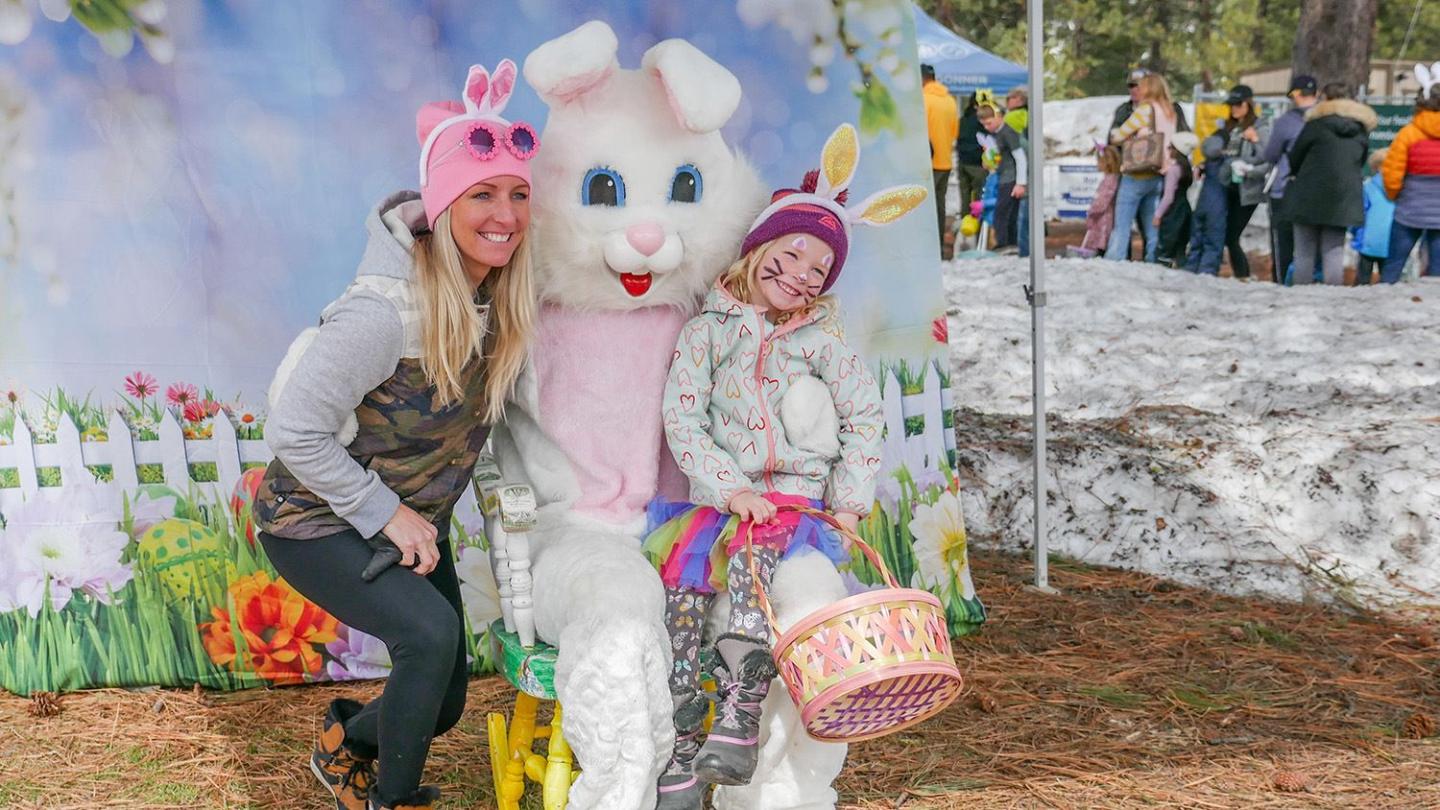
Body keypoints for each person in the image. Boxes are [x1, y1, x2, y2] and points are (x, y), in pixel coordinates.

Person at [252, 62, 537, 810]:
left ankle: (346, 737)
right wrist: (386, 513)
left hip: (406, 524)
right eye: (482, 193)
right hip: (314, 518)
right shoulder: (383, 313)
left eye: (517, 193)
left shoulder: (494, 298)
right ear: (443, 206)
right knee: (429, 638)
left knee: (442, 701)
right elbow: (295, 431)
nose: (505, 212)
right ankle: (392, 801)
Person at [644, 123, 903, 807]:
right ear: (757, 247)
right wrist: (727, 487)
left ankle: (742, 706)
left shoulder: (823, 342)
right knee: (686, 594)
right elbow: (684, 417)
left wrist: (847, 498)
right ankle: (680, 740)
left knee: (758, 568)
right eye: (790, 256)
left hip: (792, 501)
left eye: (818, 271)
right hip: (718, 500)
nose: (798, 277)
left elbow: (865, 417)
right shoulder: (709, 331)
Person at [1282, 83, 1376, 285]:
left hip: (1308, 194)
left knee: (1305, 252)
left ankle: (1299, 300)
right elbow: (1360, 162)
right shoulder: (1360, 130)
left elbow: (1294, 158)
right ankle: (1333, 300)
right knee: (1334, 251)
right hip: (1342, 198)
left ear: (1324, 99)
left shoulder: (1314, 125)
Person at [1190, 85, 1271, 278]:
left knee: (1231, 235)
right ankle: (1239, 276)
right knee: (1222, 233)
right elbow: (1221, 154)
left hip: (1246, 190)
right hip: (1225, 187)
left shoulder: (1261, 127)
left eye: (1238, 104)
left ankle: (1243, 275)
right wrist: (1204, 165)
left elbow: (1266, 157)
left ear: (1248, 104)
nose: (1234, 109)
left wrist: (1254, 143)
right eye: (1231, 105)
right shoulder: (1227, 127)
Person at [1105, 73, 1179, 262]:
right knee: (1151, 224)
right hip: (1158, 172)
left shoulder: (1146, 109)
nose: (1139, 89)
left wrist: (1122, 135)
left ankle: (1115, 260)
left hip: (1137, 172)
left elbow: (1119, 135)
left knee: (1122, 223)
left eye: (1142, 85)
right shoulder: (1169, 110)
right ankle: (1153, 260)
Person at [1379, 65, 1440, 284]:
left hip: (1410, 209)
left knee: (1394, 264)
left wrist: (1395, 194)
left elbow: (1392, 171)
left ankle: (1383, 301)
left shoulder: (1409, 133)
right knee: (1437, 270)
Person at [1262, 74, 1320, 283]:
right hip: (1318, 189)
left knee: (1284, 242)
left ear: (1295, 96)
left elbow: (1270, 155)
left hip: (1286, 188)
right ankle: (1315, 281)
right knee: (1315, 242)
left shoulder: (1286, 122)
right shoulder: (1327, 119)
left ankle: (1283, 283)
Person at [978, 100, 1027, 250]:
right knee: (1008, 212)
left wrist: (1020, 183)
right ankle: (1009, 242)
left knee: (1002, 212)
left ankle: (1004, 243)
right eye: (984, 125)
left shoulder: (1008, 133)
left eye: (989, 123)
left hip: (1011, 178)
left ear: (998, 116)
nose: (987, 127)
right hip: (1005, 176)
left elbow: (1020, 158)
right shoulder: (999, 133)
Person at [922, 63, 959, 247]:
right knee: (939, 206)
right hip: (945, 161)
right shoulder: (950, 100)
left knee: (922, 207)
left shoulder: (922, 99)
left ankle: (927, 247)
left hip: (926, 163)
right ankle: (938, 247)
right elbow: (954, 132)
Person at [1155, 131, 1198, 267]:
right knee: (1180, 248)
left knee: (1166, 248)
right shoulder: (1188, 169)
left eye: (1171, 147)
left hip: (1172, 212)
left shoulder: (1174, 170)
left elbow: (1168, 197)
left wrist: (1158, 215)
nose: (1168, 149)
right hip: (1184, 209)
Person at [1353, 149, 1395, 285]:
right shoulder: (1400, 188)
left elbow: (1359, 214)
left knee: (1362, 281)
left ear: (1375, 167)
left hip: (1368, 241)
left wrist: (1354, 233)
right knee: (1388, 282)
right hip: (1392, 240)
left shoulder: (1368, 188)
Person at [956, 95, 988, 211]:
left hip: (962, 162)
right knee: (979, 197)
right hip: (978, 164)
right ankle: (977, 225)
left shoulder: (962, 119)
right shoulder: (983, 121)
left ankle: (965, 224)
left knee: (965, 197)